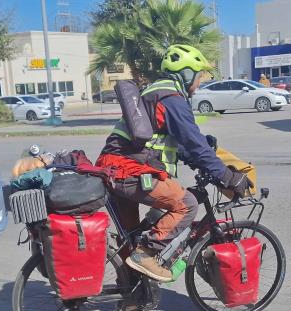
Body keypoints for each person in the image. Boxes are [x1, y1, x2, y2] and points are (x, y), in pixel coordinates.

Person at [96, 44, 251, 282]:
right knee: (186, 204)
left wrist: (201, 160)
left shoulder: (155, 93)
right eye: (198, 76)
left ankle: (132, 295)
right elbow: (194, 144)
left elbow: (179, 146)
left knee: (132, 238)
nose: (199, 84)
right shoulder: (172, 98)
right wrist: (227, 177)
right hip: (127, 171)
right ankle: (146, 254)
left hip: (113, 168)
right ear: (187, 73)